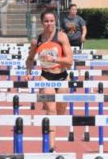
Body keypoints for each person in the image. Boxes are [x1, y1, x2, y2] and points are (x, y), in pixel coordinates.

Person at [25, 9, 74, 151]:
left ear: (55, 22)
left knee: (60, 110)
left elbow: (70, 61)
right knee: (51, 111)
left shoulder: (61, 37)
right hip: (46, 76)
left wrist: (55, 59)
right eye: (46, 21)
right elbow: (29, 59)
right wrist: (29, 71)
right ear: (42, 23)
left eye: (51, 21)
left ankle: (52, 121)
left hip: (63, 76)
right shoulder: (37, 41)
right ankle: (51, 144)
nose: (49, 24)